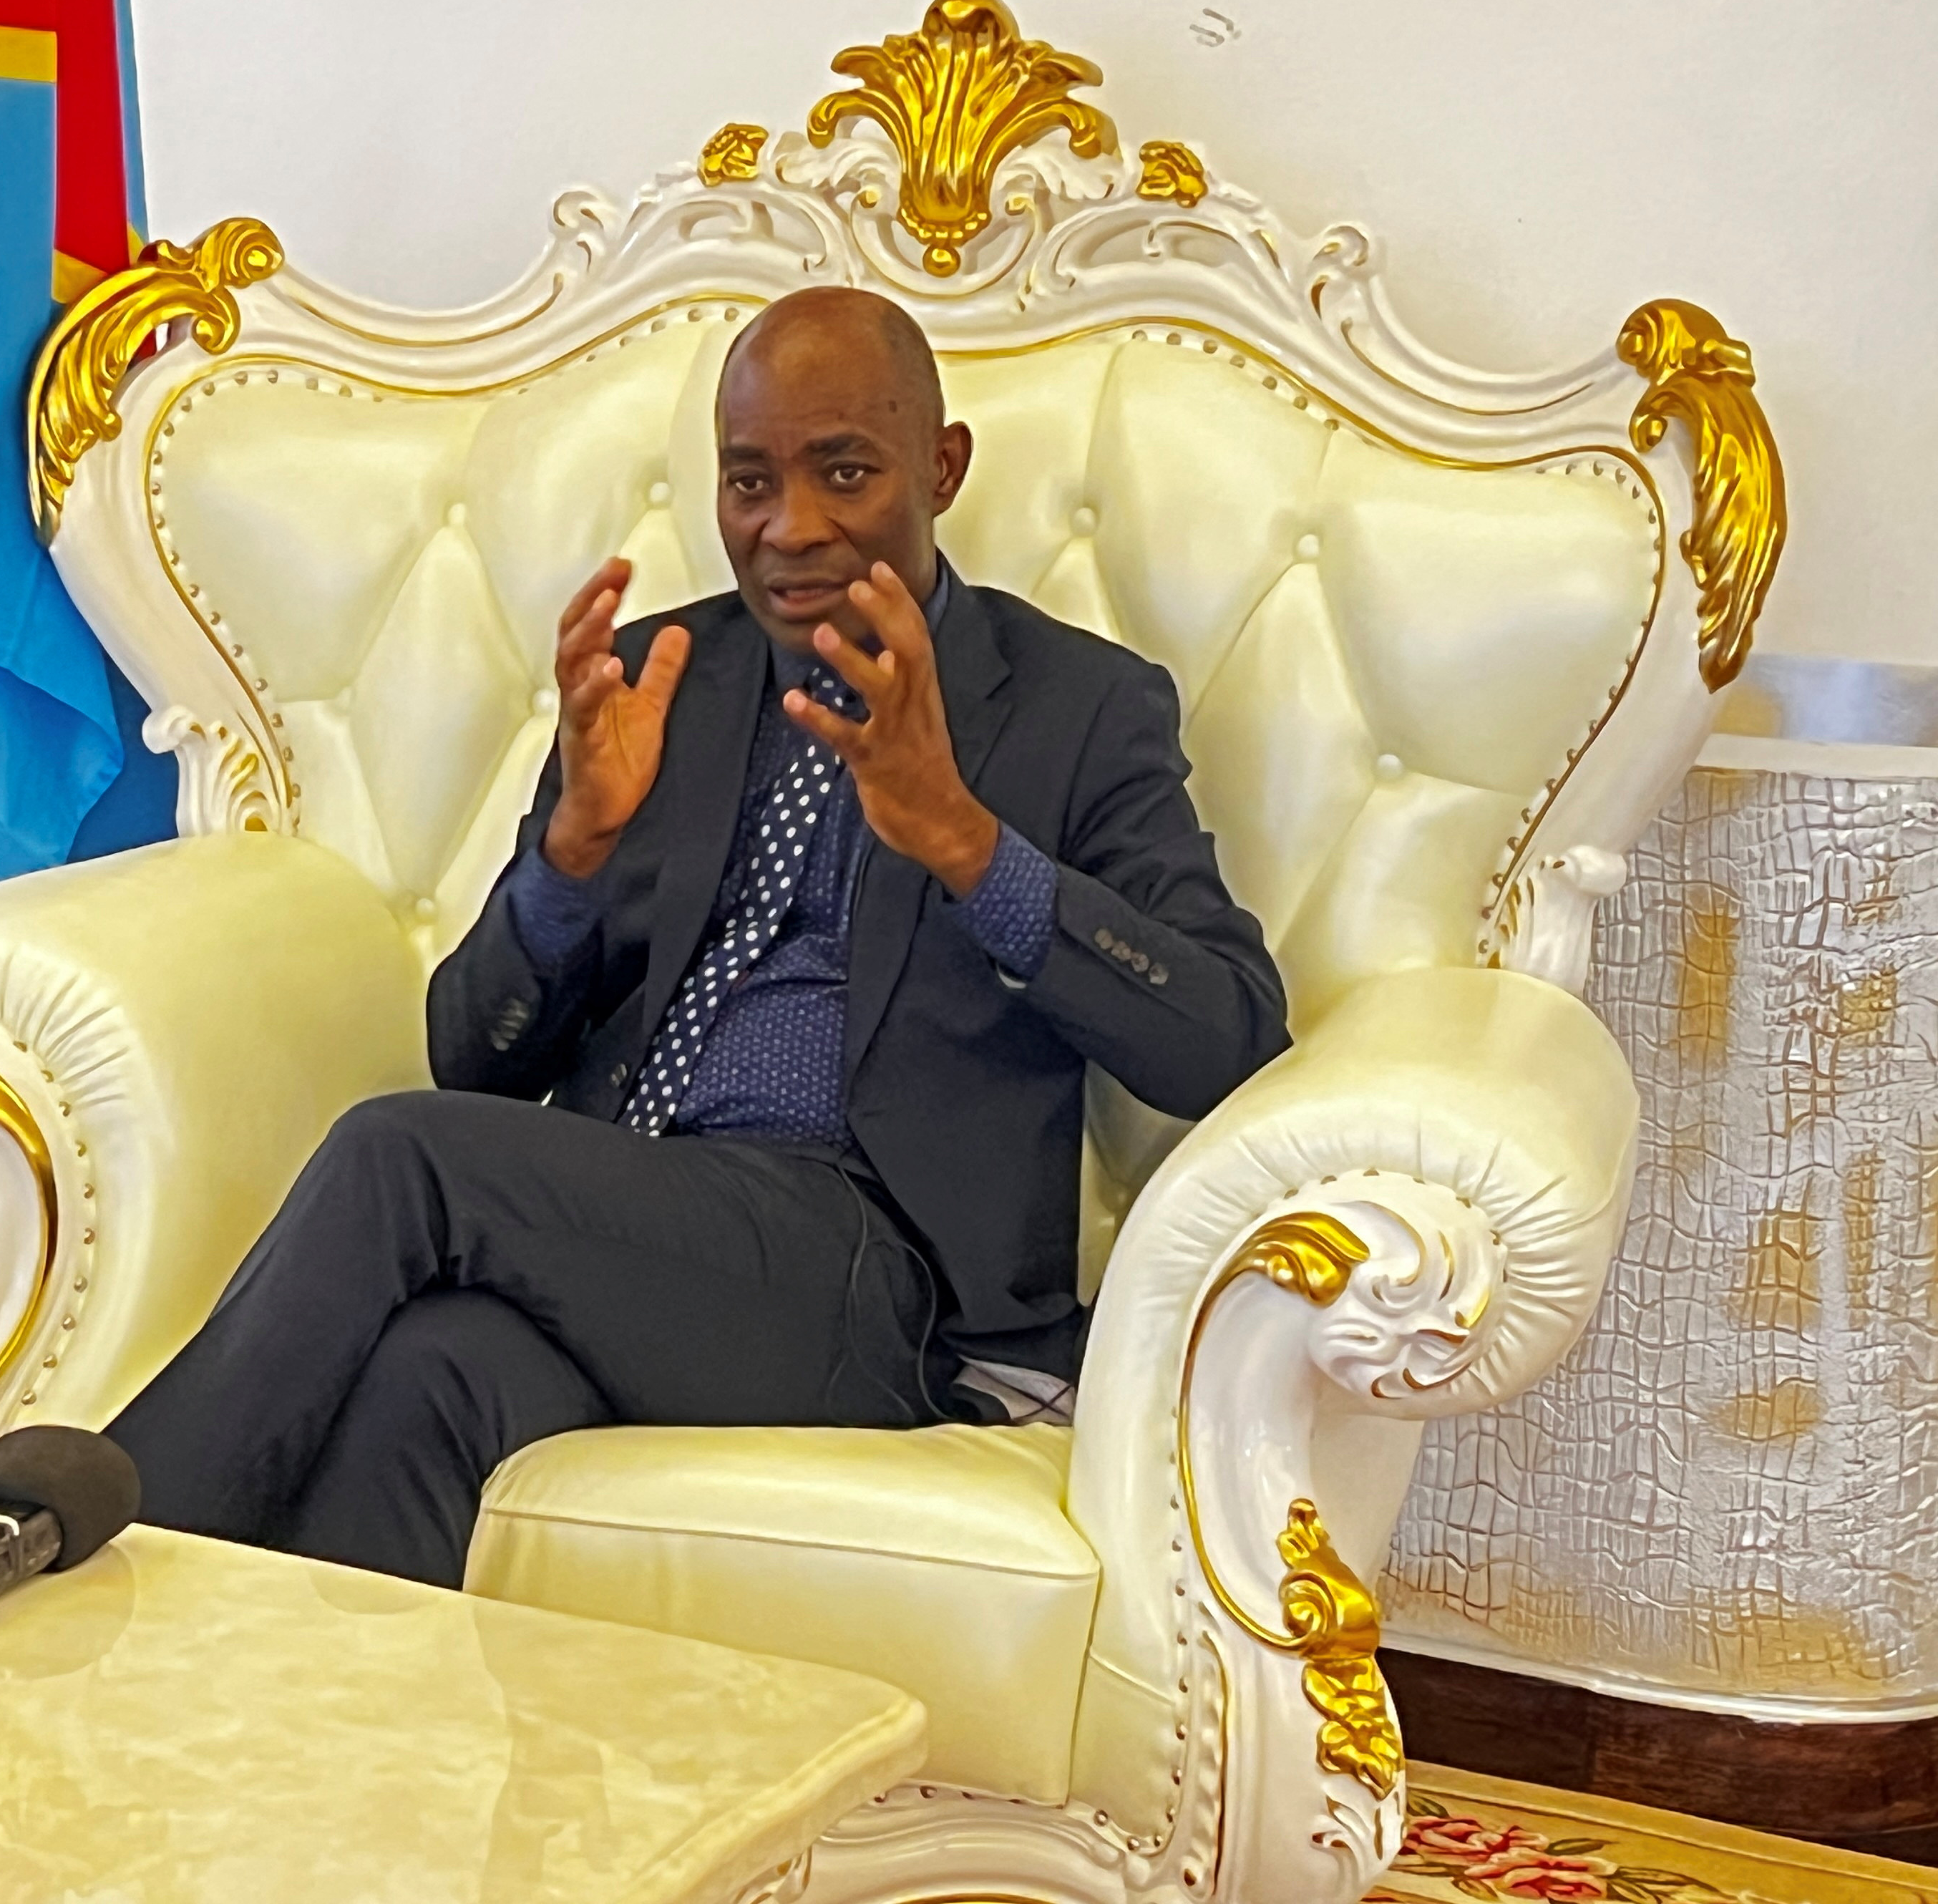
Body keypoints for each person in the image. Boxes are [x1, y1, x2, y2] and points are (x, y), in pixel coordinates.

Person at [105, 286, 1288, 1588]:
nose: (790, 529)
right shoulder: (659, 676)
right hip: (627, 1228)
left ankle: (96, 1556)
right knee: (434, 1371)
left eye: (844, 472)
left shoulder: (1075, 704)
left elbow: (1224, 1037)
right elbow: (475, 1060)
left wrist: (966, 842)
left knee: (400, 1156)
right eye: (748, 482)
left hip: (871, 1270)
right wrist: (569, 862)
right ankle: (305, 1765)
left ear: (941, 469)